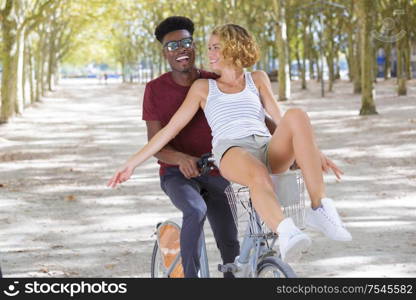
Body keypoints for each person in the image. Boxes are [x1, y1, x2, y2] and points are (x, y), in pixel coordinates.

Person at [108, 23, 352, 264]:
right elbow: (168, 131)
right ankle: (287, 232)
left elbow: (280, 119)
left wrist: (313, 152)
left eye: (216, 47)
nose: (209, 54)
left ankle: (319, 209)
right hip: (232, 150)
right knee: (256, 174)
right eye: (209, 48)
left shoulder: (257, 78)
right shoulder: (203, 87)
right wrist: (131, 164)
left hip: (267, 147)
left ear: (233, 48)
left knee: (297, 114)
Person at [125, 17, 243, 278]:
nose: (181, 49)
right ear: (164, 52)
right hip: (176, 174)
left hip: (215, 170)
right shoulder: (155, 90)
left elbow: (249, 112)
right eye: (172, 45)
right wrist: (180, 159)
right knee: (195, 209)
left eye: (186, 42)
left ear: (194, 45)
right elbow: (156, 144)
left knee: (231, 245)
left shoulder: (213, 80)